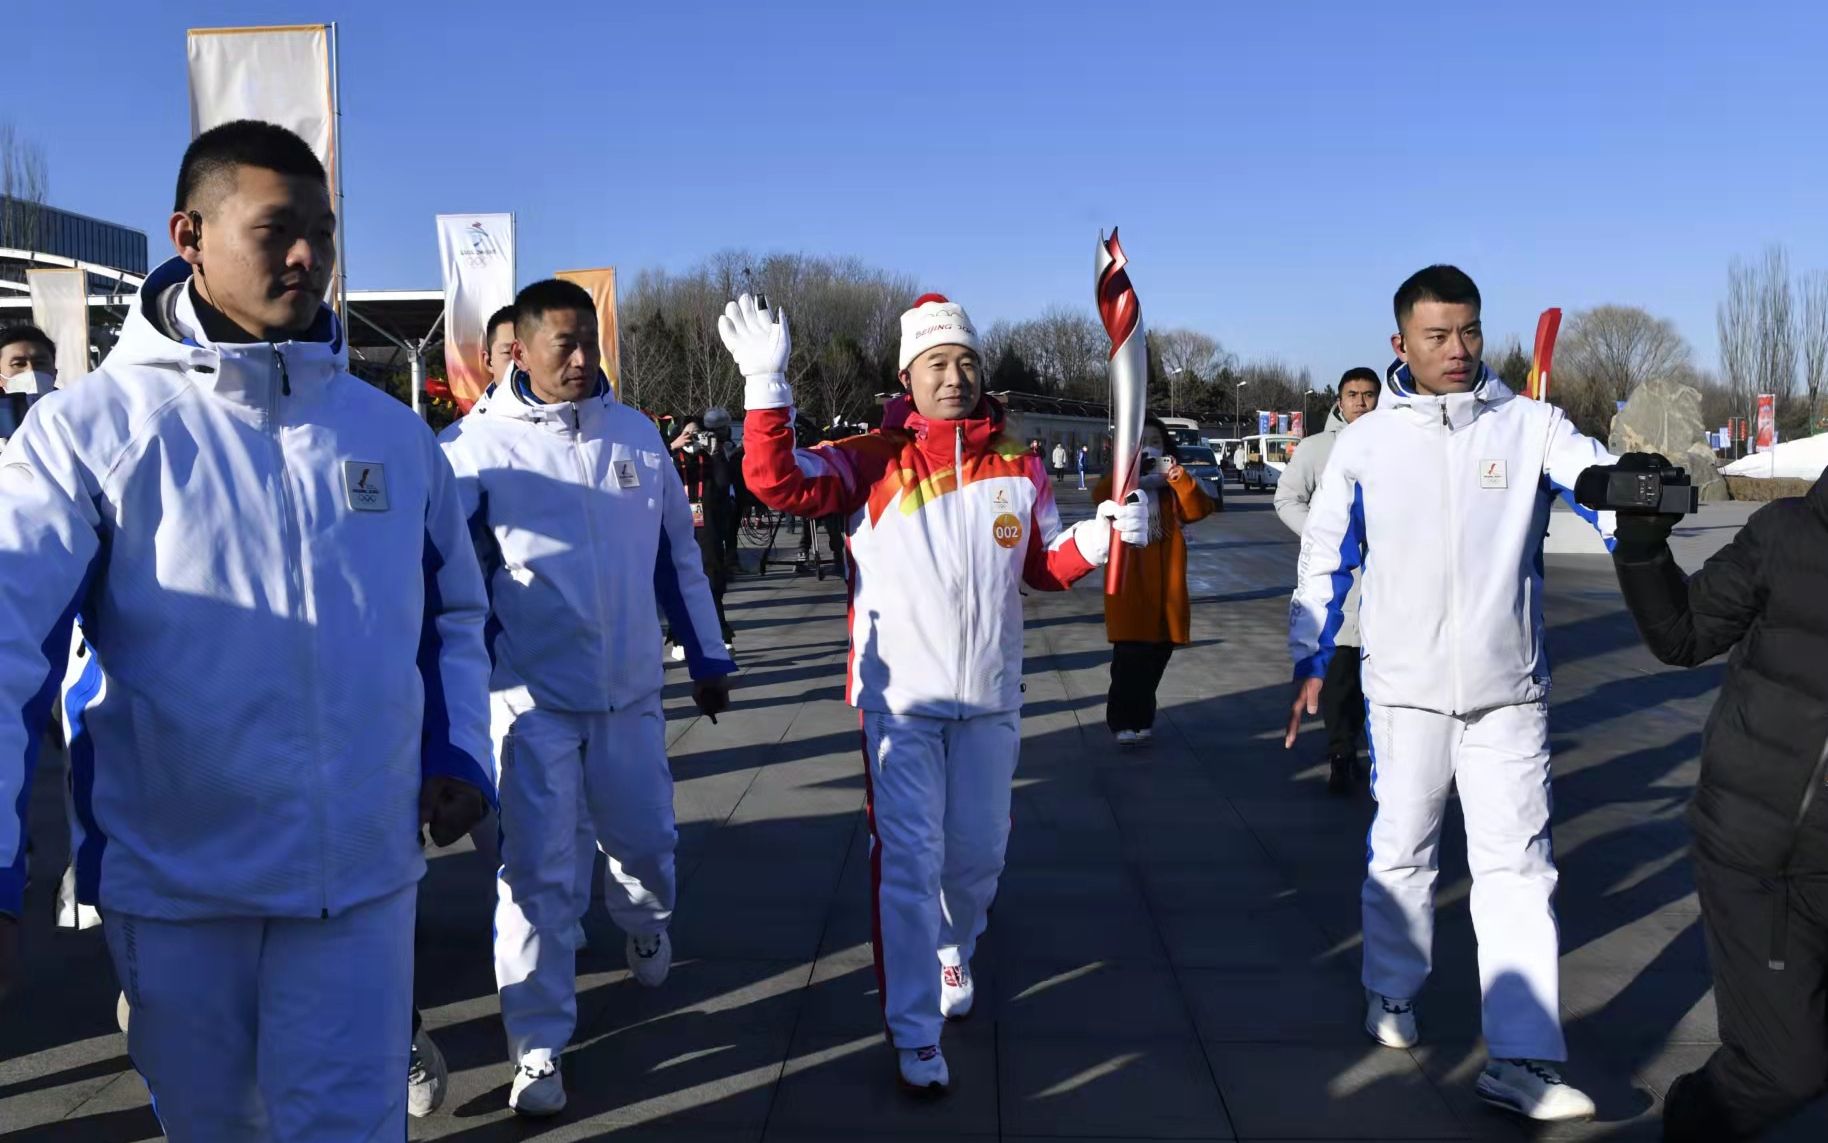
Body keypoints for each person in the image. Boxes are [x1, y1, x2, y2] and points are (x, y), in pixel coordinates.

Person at [0, 119, 494, 1140]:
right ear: (189, 233)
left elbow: (452, 612)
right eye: (277, 230)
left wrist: (457, 747)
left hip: (361, 875)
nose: (308, 256)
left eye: (321, 230)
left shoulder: (389, 435)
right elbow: (9, 639)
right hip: (180, 887)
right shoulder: (91, 430)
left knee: (352, 1127)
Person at [721, 291, 1148, 1094]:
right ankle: (914, 1029)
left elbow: (1040, 566)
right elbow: (775, 482)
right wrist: (764, 386)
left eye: (966, 362)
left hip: (991, 693)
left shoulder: (1017, 461)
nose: (954, 378)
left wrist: (1098, 536)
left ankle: (954, 947)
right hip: (902, 702)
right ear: (906, 376)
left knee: (978, 857)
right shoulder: (869, 457)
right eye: (936, 364)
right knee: (909, 861)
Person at [1286, 265, 1613, 1122]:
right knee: (1404, 852)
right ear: (1401, 343)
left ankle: (1523, 1056)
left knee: (1518, 871)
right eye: (1438, 336)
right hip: (1405, 691)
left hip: (1510, 691)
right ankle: (1391, 989)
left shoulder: (1531, 423)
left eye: (1469, 331)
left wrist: (1637, 507)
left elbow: (1602, 483)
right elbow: (1326, 556)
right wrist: (1309, 658)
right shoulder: (1367, 442)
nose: (1458, 350)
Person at [441, 278, 735, 1116]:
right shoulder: (473, 450)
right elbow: (447, 587)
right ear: (520, 349)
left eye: (588, 342)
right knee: (534, 873)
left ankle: (644, 916)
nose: (579, 359)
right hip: (529, 700)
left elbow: (678, 554)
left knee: (645, 846)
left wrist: (707, 655)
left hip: (632, 691)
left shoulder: (636, 435)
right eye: (560, 345)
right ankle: (536, 1044)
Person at [1603, 457, 1828, 1141]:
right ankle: (1695, 1121)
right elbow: (1684, 632)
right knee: (1782, 1066)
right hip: (1767, 857)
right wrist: (1642, 542)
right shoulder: (1790, 535)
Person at [1275, 366, 1381, 794]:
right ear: (1339, 400)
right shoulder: (1318, 449)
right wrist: (1324, 536)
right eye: (1352, 394)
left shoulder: (1400, 447)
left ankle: (1373, 752)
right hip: (1339, 585)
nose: (1361, 402)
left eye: (1369, 394)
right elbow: (1286, 498)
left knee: (1374, 683)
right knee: (1338, 680)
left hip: (1388, 585)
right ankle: (1341, 753)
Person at [1095, 415, 1216, 745]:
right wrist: (1130, 474)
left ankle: (1143, 715)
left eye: (1156, 443)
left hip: (1167, 586)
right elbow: (1101, 498)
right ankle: (1121, 719)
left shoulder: (1171, 490)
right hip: (1130, 584)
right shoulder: (1122, 482)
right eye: (1143, 442)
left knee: (1159, 652)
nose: (1150, 447)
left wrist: (1179, 478)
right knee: (1129, 657)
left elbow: (1199, 509)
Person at [668, 410, 738, 648]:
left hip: (706, 525)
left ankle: (720, 629)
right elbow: (651, 470)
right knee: (678, 580)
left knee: (712, 575)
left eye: (697, 434)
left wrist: (716, 452)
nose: (692, 439)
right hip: (676, 526)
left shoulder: (710, 458)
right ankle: (679, 636)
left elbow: (723, 484)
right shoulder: (671, 458)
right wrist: (672, 446)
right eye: (688, 434)